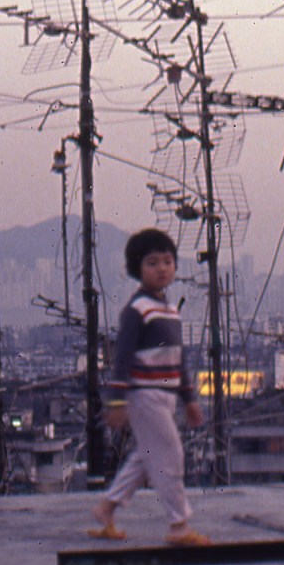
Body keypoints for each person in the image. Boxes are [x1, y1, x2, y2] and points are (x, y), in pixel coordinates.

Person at [91, 228, 209, 546]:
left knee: (146, 458)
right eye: (153, 262)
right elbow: (122, 358)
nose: (162, 268)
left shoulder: (170, 310)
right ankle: (178, 525)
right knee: (170, 456)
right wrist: (116, 401)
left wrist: (189, 399)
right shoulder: (136, 311)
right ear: (137, 269)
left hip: (166, 396)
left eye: (168, 261)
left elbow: (179, 359)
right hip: (144, 395)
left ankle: (107, 508)